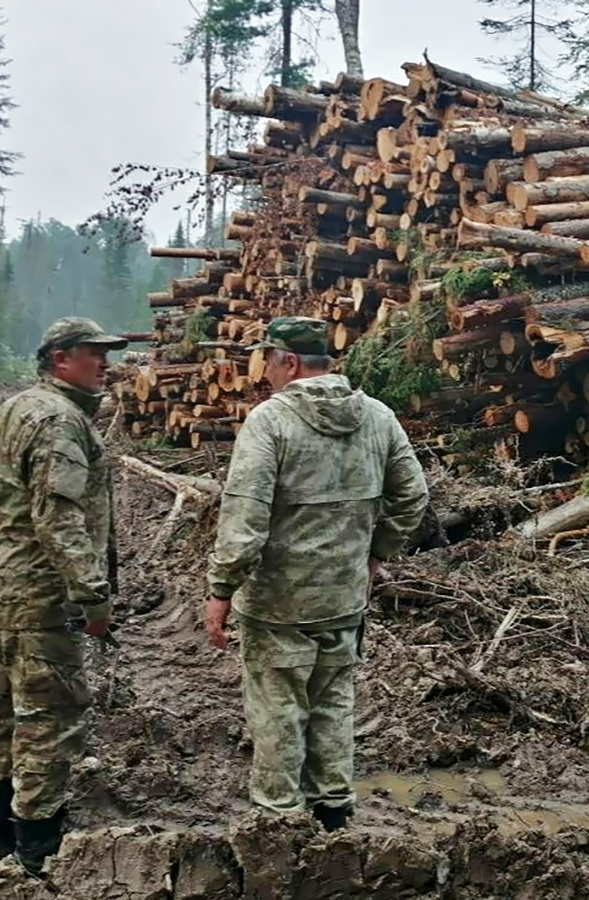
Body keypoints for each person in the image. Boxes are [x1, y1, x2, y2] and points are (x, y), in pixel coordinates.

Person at [205, 316, 429, 831]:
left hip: (278, 605)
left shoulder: (270, 422)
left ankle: (278, 824)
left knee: (279, 711)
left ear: (288, 361)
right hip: (343, 597)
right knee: (333, 705)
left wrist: (221, 588)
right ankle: (333, 819)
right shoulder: (377, 417)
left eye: (267, 359)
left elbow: (244, 519)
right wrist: (377, 553)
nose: (263, 372)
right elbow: (413, 496)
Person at [0, 317, 127, 873]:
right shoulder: (60, 422)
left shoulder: (16, 407)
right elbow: (59, 520)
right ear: (60, 359)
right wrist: (94, 597)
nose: (105, 363)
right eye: (94, 353)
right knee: (48, 711)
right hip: (38, 590)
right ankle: (37, 845)